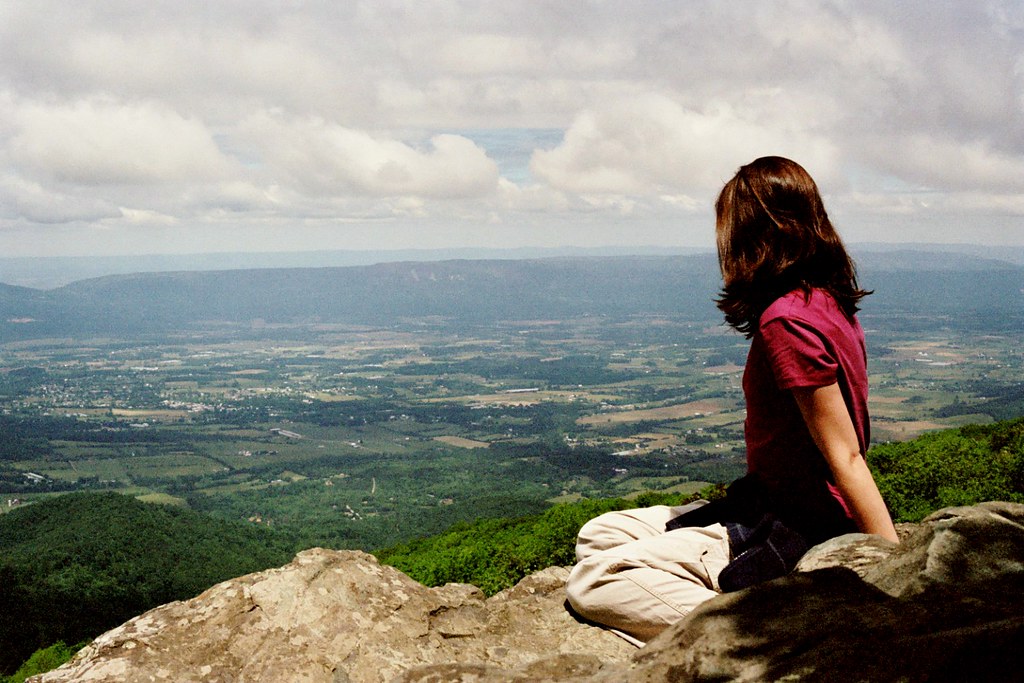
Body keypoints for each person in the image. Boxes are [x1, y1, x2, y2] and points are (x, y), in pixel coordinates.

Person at [564, 156, 898, 646]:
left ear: (751, 232)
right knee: (600, 533)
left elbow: (845, 454)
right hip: (761, 503)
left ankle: (766, 632)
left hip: (793, 523)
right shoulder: (825, 302)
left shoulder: (785, 321)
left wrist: (893, 570)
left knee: (595, 580)